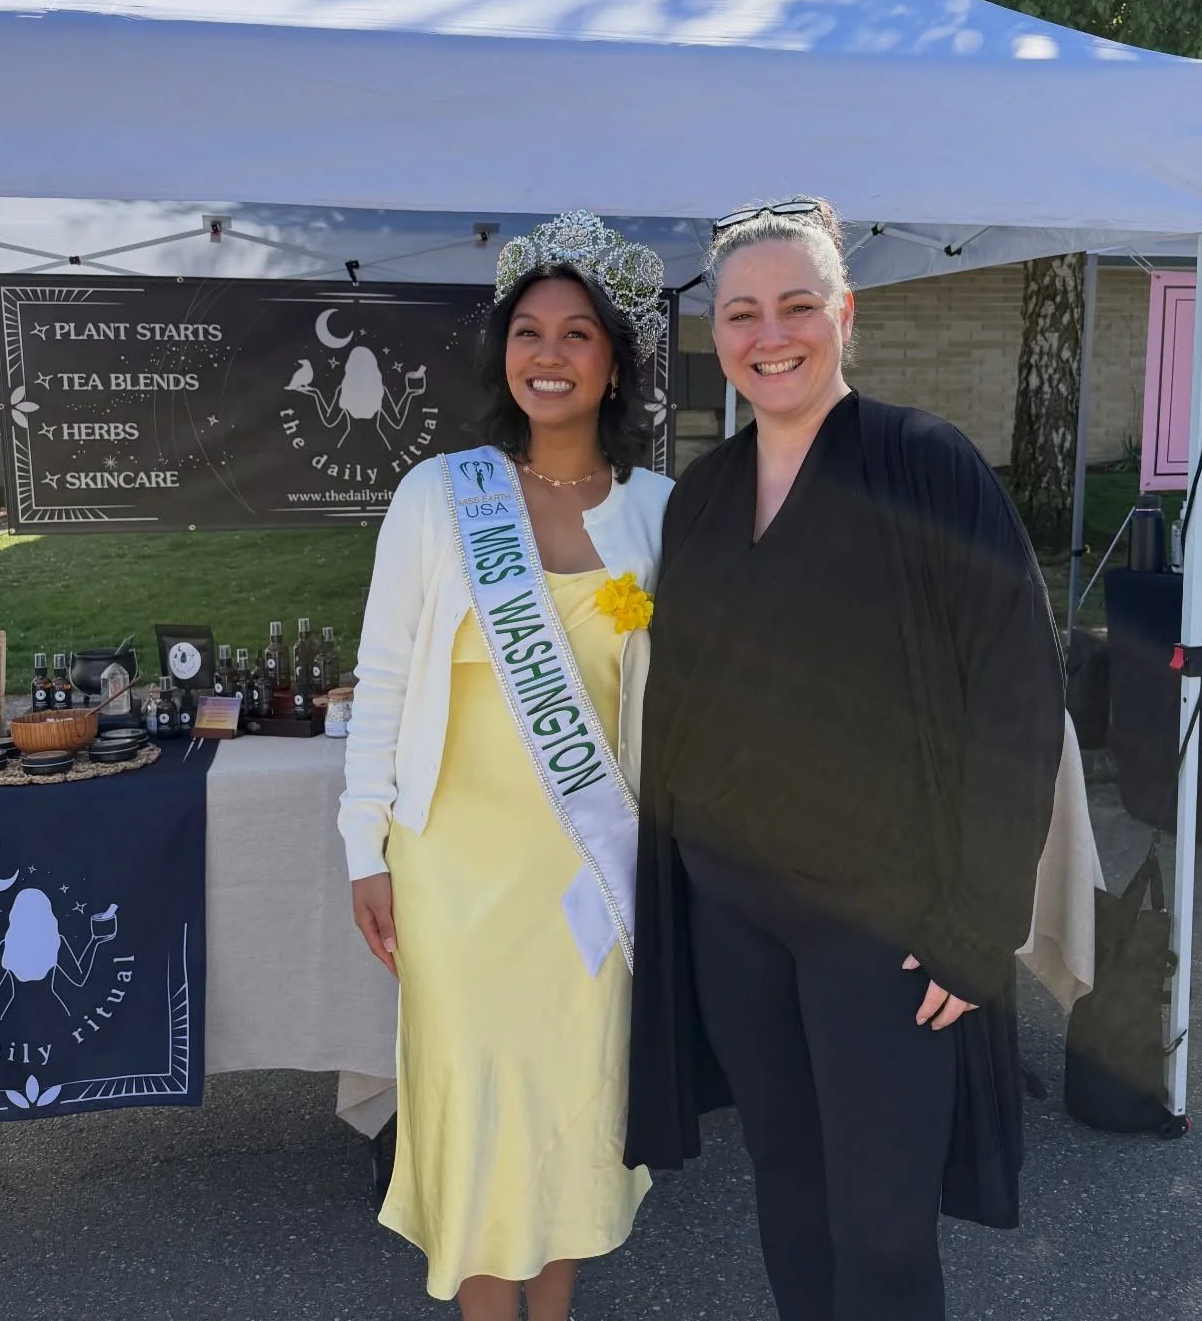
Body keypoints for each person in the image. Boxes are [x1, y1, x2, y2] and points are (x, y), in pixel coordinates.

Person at [624, 198, 1067, 1321]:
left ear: (845, 314)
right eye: (742, 312)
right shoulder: (707, 495)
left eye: (797, 304)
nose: (771, 334)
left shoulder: (926, 465)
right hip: (737, 920)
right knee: (788, 1185)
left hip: (887, 931)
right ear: (715, 333)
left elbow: (1018, 696)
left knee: (881, 1221)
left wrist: (981, 925)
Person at [339, 211, 672, 1321]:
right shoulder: (440, 496)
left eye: (577, 333)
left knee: (571, 1104)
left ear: (615, 358)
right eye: (528, 331)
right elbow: (382, 677)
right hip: (455, 874)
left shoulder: (660, 513)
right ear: (503, 354)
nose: (549, 353)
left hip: (589, 875)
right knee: (481, 1108)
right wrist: (364, 845)